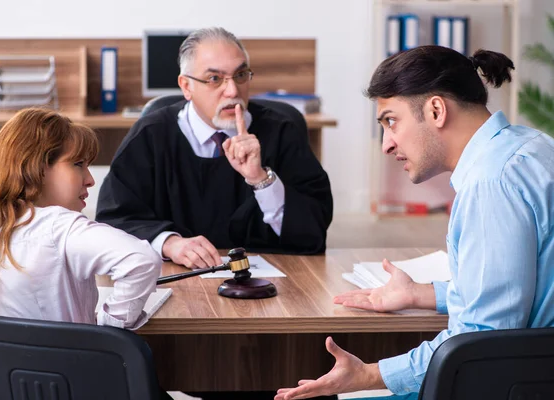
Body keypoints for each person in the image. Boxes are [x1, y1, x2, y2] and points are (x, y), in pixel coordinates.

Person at [275, 45, 554, 400]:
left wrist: (366, 374)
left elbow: (482, 341)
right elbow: (510, 291)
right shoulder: (531, 145)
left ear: (436, 110)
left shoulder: (490, 183)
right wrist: (420, 294)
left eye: (391, 121)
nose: (386, 145)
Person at [96, 27, 333, 269]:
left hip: (273, 282)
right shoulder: (150, 135)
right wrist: (169, 243)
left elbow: (314, 229)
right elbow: (113, 221)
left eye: (240, 75)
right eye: (214, 79)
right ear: (186, 86)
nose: (232, 91)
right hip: (177, 280)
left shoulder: (282, 131)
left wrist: (260, 179)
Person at [0, 108, 163, 332]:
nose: (90, 180)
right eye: (78, 164)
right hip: (72, 365)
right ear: (37, 168)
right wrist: (109, 330)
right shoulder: (59, 227)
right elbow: (142, 260)